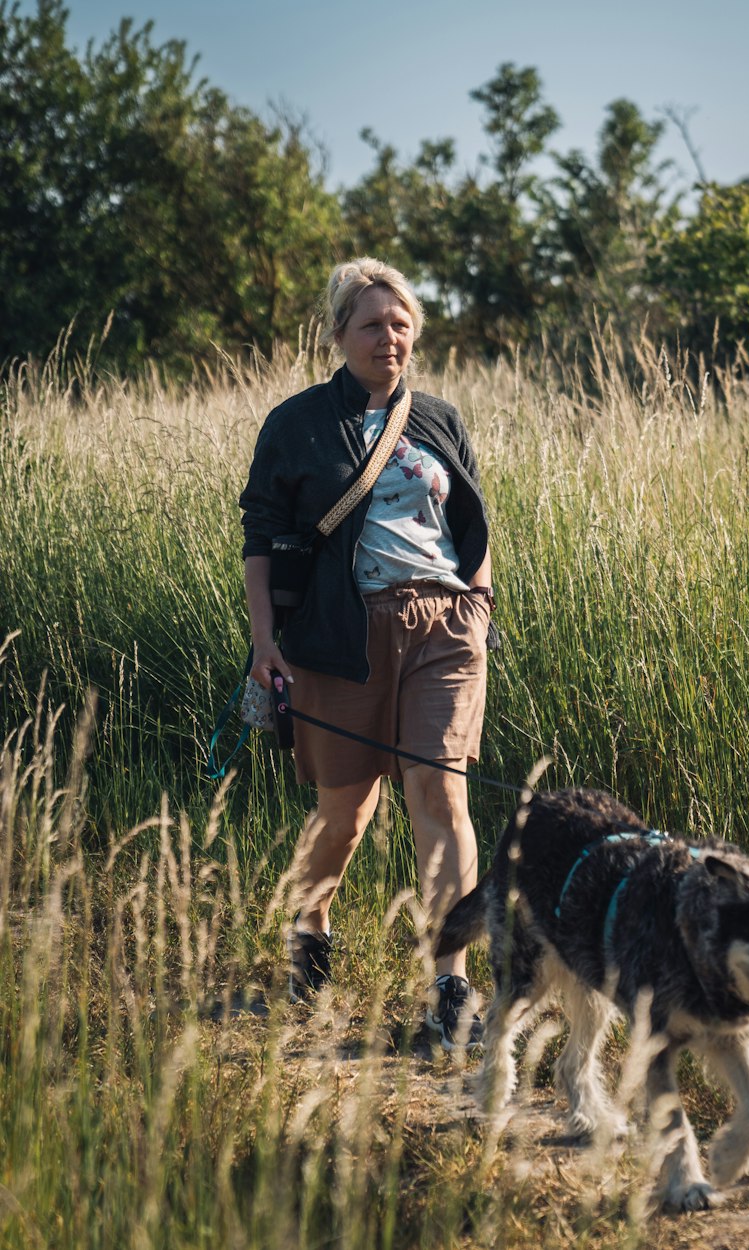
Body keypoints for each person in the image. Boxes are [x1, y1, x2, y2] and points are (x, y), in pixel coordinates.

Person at [239, 257, 493, 1049]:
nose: (390, 336)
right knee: (346, 814)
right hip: (340, 635)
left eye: (401, 323)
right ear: (340, 335)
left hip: (445, 628)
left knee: (441, 797)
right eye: (373, 323)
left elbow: (472, 526)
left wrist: (480, 606)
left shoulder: (440, 418)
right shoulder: (297, 423)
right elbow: (259, 541)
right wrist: (263, 644)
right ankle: (309, 927)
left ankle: (450, 986)